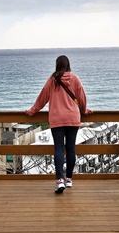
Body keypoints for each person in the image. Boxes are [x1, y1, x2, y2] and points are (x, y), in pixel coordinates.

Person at [26, 55, 92, 194]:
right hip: (73, 118)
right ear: (68, 65)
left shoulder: (52, 80)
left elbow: (42, 98)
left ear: (57, 65)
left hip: (56, 119)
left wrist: (33, 111)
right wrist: (84, 110)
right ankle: (68, 178)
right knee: (71, 148)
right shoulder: (75, 79)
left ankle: (59, 180)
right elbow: (82, 97)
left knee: (59, 149)